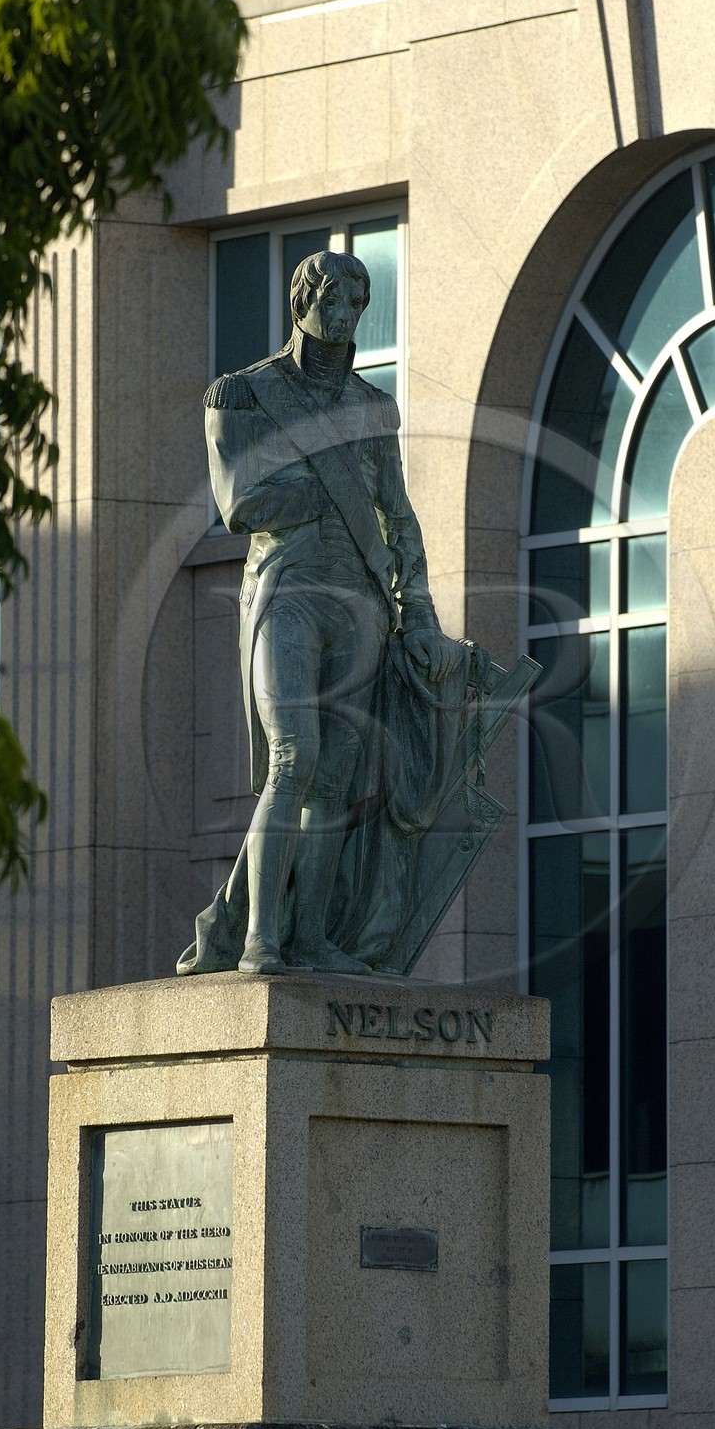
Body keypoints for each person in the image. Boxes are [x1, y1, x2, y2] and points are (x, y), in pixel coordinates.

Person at [177, 250, 478, 977]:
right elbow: (240, 503)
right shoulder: (242, 394)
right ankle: (260, 941)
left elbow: (398, 516)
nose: (343, 320)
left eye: (356, 307)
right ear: (301, 304)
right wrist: (325, 491)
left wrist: (424, 616)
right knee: (294, 757)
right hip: (288, 591)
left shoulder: (373, 406)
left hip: (364, 605)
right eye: (332, 304)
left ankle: (310, 939)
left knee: (340, 778)